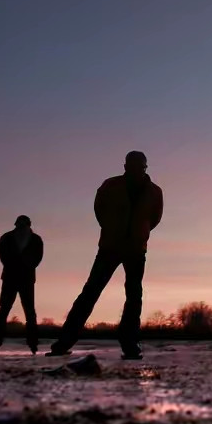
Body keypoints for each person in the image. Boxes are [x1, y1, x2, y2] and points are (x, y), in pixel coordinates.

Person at [47, 150, 163, 359]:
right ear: (125, 166)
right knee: (91, 292)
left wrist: (139, 233)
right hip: (110, 246)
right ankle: (64, 342)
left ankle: (129, 344)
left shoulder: (155, 192)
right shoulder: (110, 185)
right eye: (131, 165)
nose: (135, 169)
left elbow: (154, 218)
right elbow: (99, 210)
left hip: (136, 249)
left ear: (145, 167)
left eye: (139, 166)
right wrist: (112, 229)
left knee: (134, 296)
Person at [0, 215, 44, 354]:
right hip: (11, 277)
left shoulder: (36, 239)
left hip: (25, 278)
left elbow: (38, 257)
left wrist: (26, 265)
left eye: (24, 224)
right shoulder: (6, 237)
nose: (22, 226)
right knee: (4, 311)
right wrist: (15, 265)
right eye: (20, 223)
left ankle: (33, 344)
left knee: (29, 312)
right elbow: (3, 255)